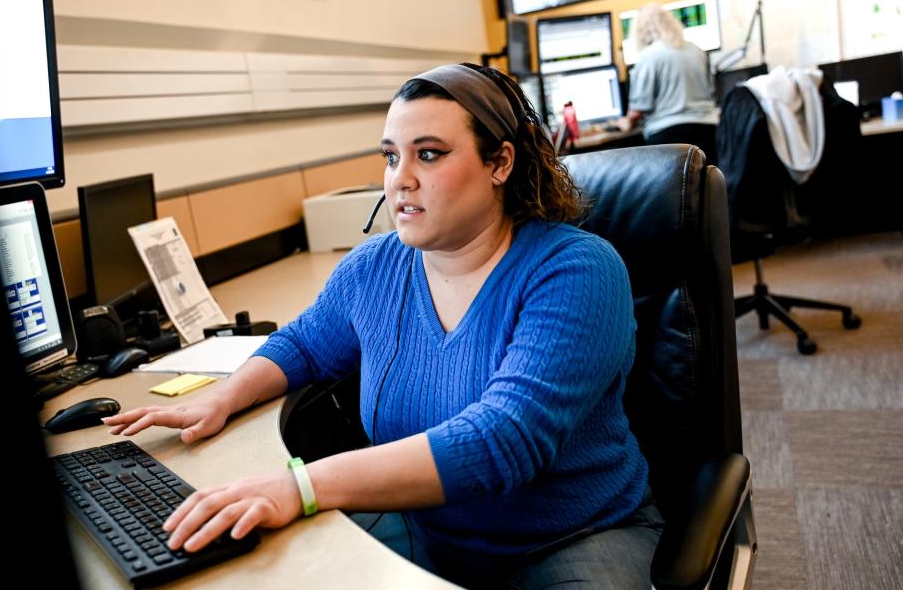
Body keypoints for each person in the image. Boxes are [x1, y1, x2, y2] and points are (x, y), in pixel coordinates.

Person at [104, 63, 663, 589]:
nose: (402, 181)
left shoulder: (576, 269)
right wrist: (222, 398)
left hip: (571, 539)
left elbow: (504, 441)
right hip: (428, 532)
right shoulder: (375, 268)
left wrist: (301, 486)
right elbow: (302, 345)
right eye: (391, 157)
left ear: (501, 163)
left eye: (430, 155)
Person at [619, 3, 719, 161]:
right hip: (708, 130)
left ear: (640, 31)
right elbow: (712, 90)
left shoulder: (649, 56)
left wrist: (625, 122)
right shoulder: (696, 50)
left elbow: (637, 111)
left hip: (668, 136)